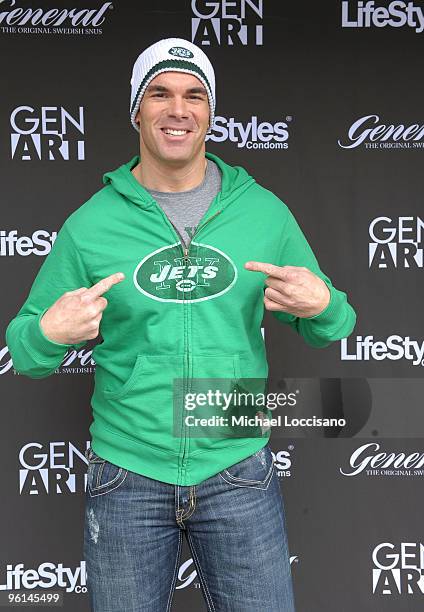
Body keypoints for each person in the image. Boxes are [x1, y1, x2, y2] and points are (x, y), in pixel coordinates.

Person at [5, 37, 357, 612]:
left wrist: (325, 307)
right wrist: (47, 333)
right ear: (136, 110)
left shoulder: (263, 213)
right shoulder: (90, 226)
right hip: (127, 475)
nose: (178, 109)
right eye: (160, 93)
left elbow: (332, 326)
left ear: (210, 113)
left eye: (195, 96)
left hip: (238, 467)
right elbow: (24, 349)